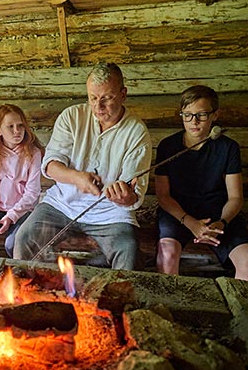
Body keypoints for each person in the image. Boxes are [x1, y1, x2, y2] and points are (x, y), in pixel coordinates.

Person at [14, 63, 152, 270]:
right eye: (93, 98)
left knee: (127, 248)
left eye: (107, 98)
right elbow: (51, 165)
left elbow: (133, 192)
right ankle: (28, 293)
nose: (98, 107)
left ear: (123, 94)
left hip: (110, 212)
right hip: (62, 204)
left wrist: (125, 196)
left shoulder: (136, 132)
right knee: (25, 237)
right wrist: (77, 178)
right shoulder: (72, 117)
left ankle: (120, 299)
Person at [155, 85, 248, 282]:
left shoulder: (228, 148)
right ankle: (169, 309)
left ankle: (244, 311)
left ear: (215, 115)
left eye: (201, 115)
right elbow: (163, 196)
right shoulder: (168, 146)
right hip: (178, 214)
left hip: (217, 215)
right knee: (167, 254)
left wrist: (221, 222)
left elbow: (236, 197)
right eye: (187, 115)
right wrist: (191, 223)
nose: (193, 122)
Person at [0, 104, 43, 258]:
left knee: (12, 244)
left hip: (23, 211)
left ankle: (17, 276)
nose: (16, 131)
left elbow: (32, 193)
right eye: (10, 127)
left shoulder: (33, 154)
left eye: (20, 126)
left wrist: (11, 216)